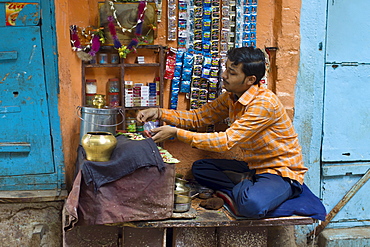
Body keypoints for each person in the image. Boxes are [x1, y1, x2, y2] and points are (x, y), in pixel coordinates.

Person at [136, 46, 308, 219]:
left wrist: (177, 133)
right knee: (200, 169)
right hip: (254, 168)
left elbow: (225, 141)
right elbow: (199, 117)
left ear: (250, 79)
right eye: (226, 69)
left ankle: (249, 188)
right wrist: (159, 113)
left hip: (279, 171)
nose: (224, 75)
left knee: (251, 206)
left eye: (232, 73)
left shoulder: (263, 104)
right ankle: (246, 183)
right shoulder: (232, 97)